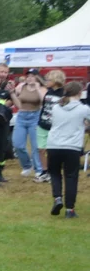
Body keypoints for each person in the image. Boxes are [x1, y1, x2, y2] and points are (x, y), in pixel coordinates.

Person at [45, 82, 90, 218]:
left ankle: (57, 198)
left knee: (55, 174)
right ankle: (70, 209)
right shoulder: (83, 109)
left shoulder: (56, 107)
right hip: (72, 146)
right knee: (71, 177)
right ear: (79, 93)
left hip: (53, 145)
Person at [11, 75, 45, 180]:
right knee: (17, 144)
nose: (29, 78)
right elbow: (18, 103)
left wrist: (38, 88)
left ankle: (39, 169)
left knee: (36, 146)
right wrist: (13, 92)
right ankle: (27, 165)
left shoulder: (42, 88)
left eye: (32, 76)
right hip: (22, 116)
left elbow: (43, 101)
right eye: (28, 76)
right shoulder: (21, 87)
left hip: (35, 116)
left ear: (37, 78)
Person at [36, 70, 66, 177]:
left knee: (53, 151)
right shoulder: (48, 92)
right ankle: (44, 171)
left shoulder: (63, 94)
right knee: (41, 149)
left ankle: (53, 171)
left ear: (56, 80)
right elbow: (44, 107)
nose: (46, 81)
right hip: (43, 124)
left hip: (56, 126)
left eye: (48, 79)